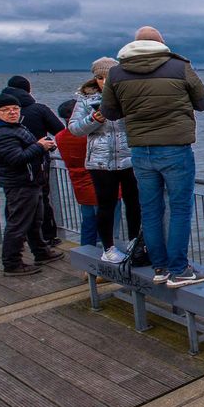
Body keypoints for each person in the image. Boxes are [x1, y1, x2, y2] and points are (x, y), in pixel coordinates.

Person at [101, 26, 204, 287]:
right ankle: (180, 269)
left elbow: (110, 112)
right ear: (162, 43)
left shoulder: (116, 73)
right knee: (180, 209)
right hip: (175, 148)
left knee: (150, 210)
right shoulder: (179, 66)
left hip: (140, 150)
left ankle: (160, 268)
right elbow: (203, 102)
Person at [0, 93, 65, 275]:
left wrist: (43, 145)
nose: (12, 112)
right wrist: (39, 147)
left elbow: (25, 150)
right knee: (18, 224)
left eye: (15, 109)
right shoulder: (1, 134)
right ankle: (12, 263)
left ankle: (41, 251)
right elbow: (16, 158)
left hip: (31, 181)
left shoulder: (14, 128)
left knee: (35, 220)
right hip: (20, 184)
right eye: (6, 110)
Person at [68, 57, 141, 262]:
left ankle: (135, 243)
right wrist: (94, 119)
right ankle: (108, 248)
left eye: (108, 77)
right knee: (106, 205)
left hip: (129, 158)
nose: (104, 81)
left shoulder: (129, 96)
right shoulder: (85, 100)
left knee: (134, 203)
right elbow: (74, 129)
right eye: (99, 77)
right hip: (100, 160)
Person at [54, 99, 99, 248]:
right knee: (107, 226)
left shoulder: (60, 137)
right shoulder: (88, 136)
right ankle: (104, 259)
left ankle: (86, 258)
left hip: (80, 186)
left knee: (88, 223)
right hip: (100, 183)